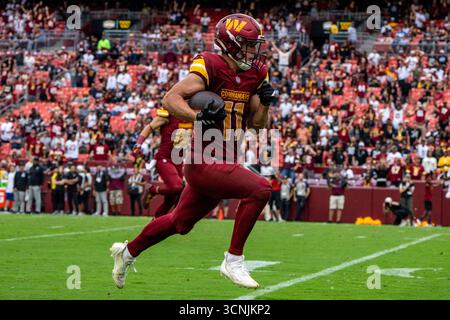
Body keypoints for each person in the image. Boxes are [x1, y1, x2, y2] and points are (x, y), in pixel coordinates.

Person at [110, 13, 277, 289]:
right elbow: (171, 98)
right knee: (260, 188)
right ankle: (233, 260)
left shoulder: (256, 73)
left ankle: (126, 253)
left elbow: (258, 125)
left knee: (179, 222)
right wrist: (196, 117)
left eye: (253, 44)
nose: (252, 50)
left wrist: (267, 105)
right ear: (230, 43)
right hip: (203, 158)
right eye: (247, 44)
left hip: (227, 158)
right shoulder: (209, 64)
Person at [133, 107, 191, 217]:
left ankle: (154, 225)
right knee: (177, 187)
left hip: (178, 161)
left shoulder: (192, 115)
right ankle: (151, 189)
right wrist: (139, 143)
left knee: (172, 199)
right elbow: (150, 127)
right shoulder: (169, 114)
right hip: (164, 158)